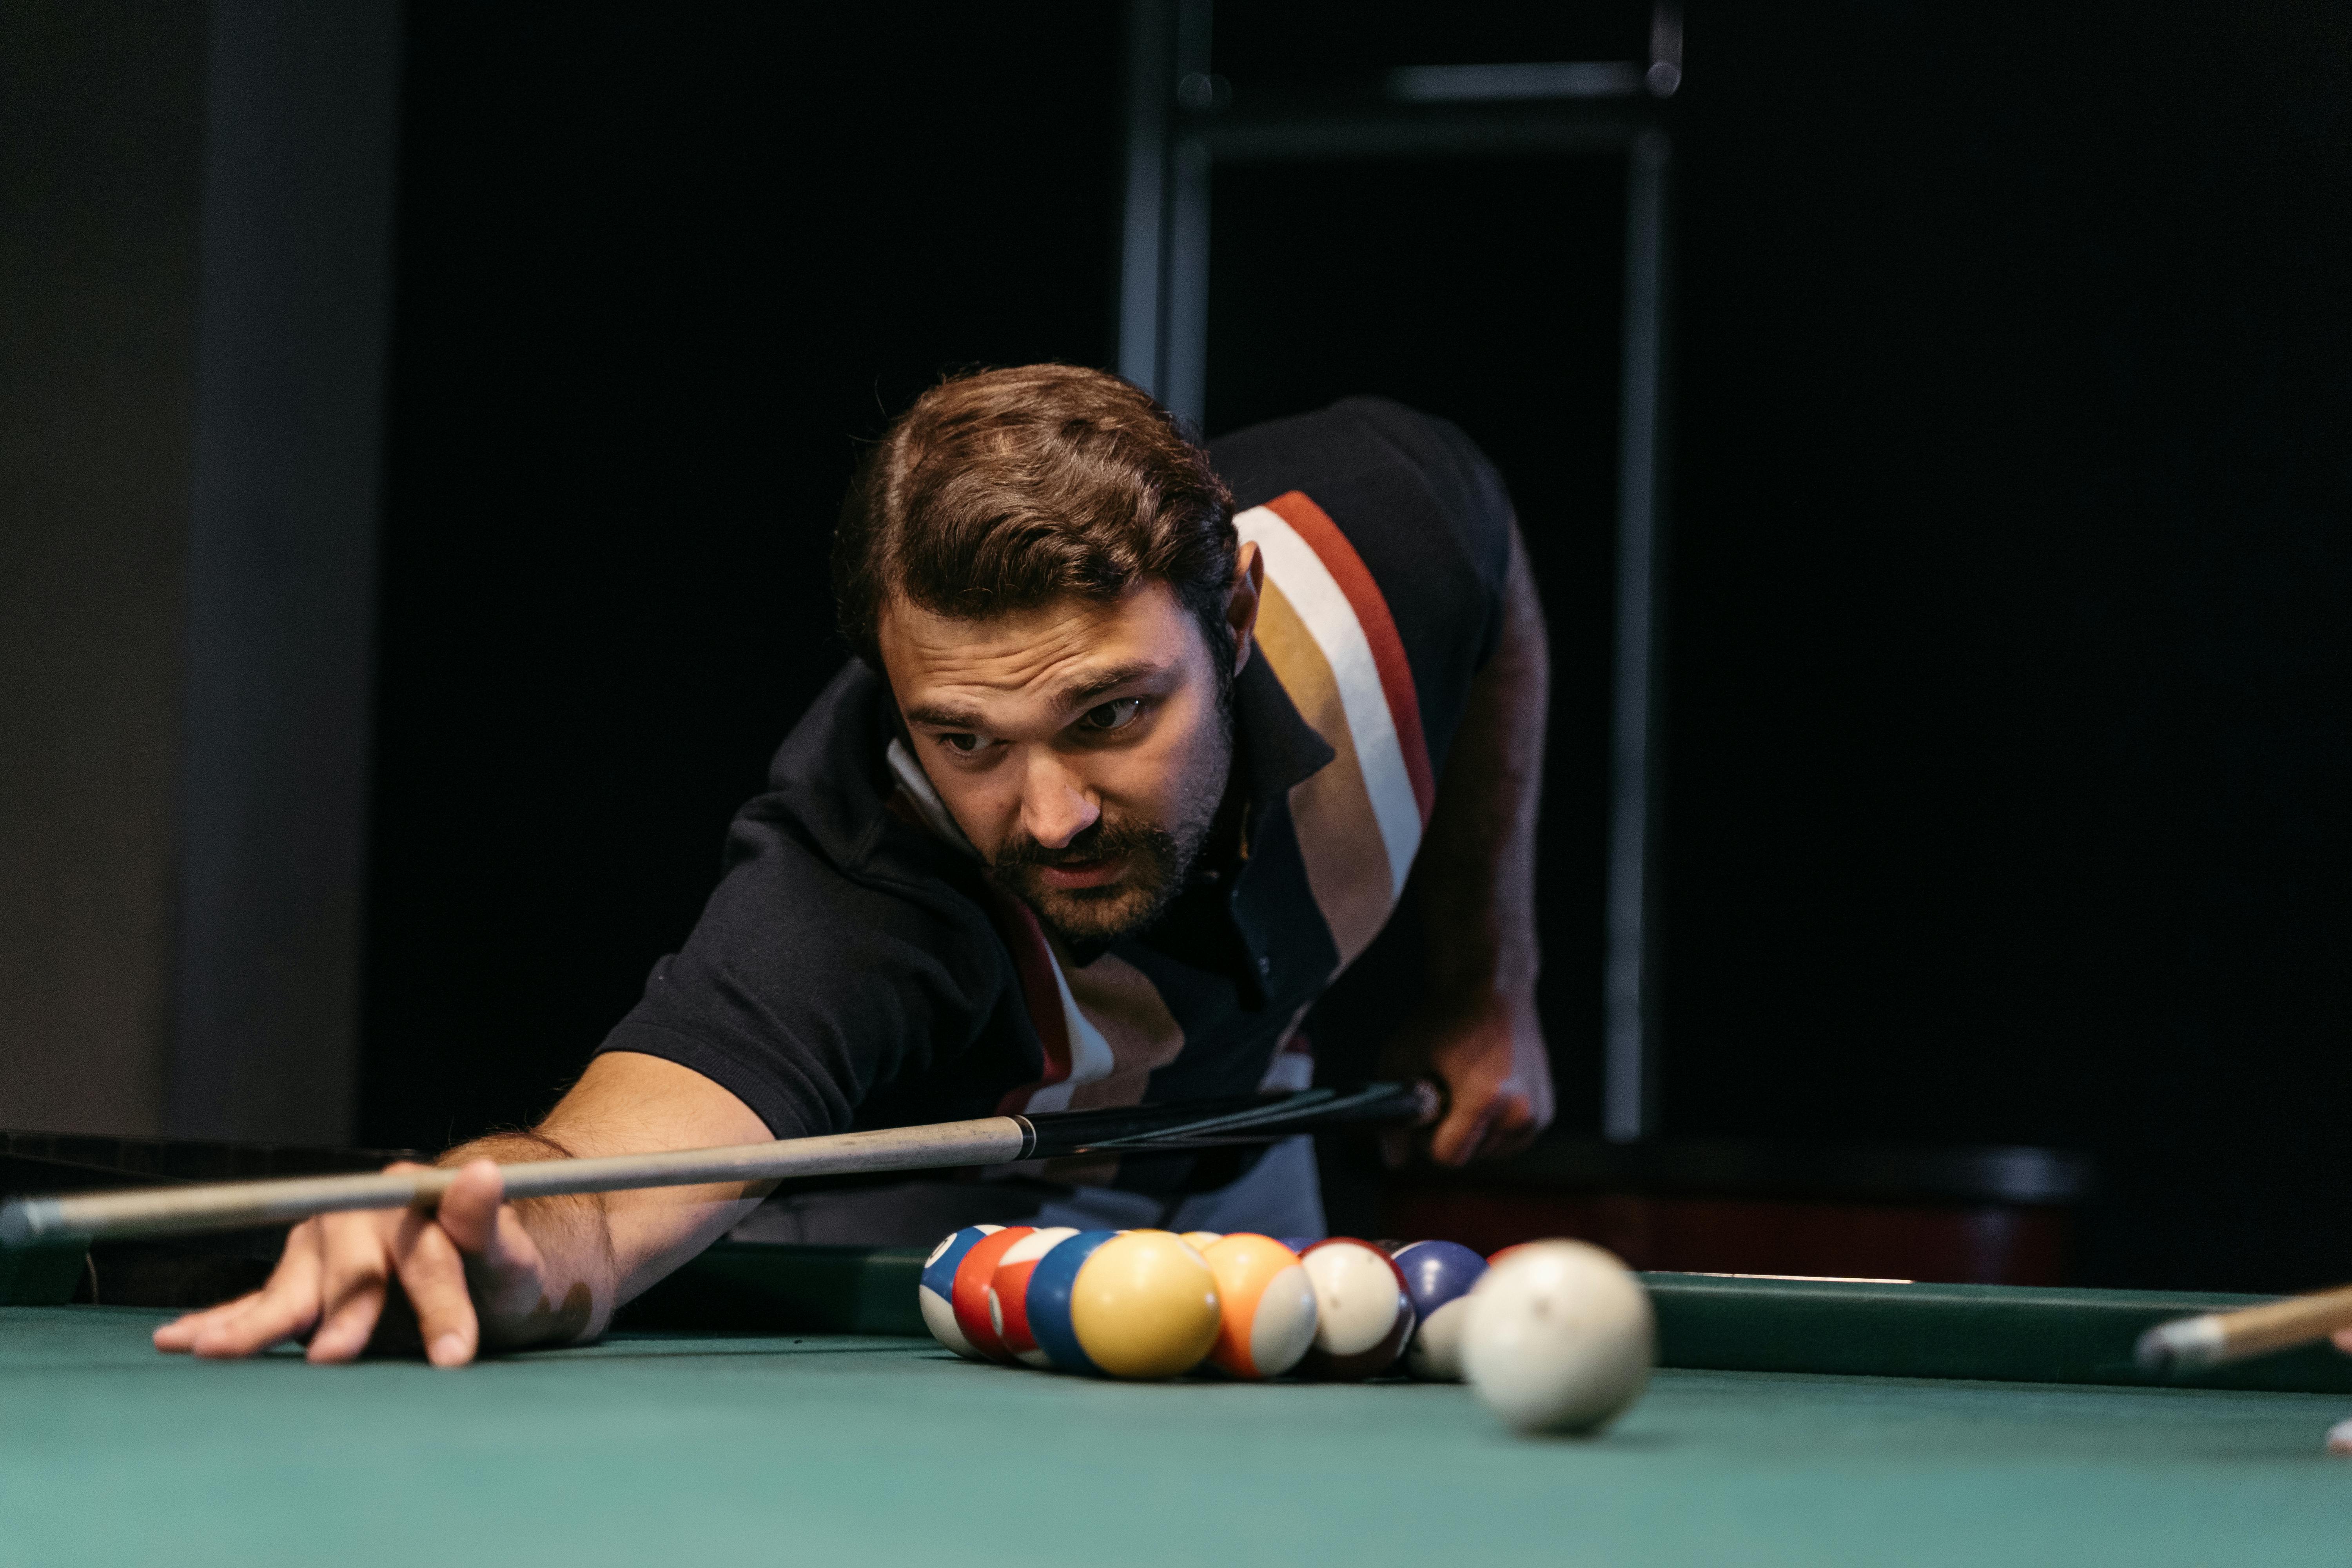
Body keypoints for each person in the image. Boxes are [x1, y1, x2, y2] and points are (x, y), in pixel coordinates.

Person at [155, 365, 1554, 1367]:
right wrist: (491, 1232)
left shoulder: (1391, 538)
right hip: (933, 1233)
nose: (1051, 813)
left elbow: (1498, 576)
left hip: (1236, 1138)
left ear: (1234, 619)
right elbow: (595, 1184)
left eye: (1112, 713)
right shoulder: (860, 884)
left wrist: (1491, 982)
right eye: (967, 736)